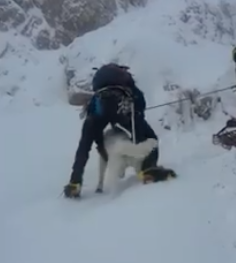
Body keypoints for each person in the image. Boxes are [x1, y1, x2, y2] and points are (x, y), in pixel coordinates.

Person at [64, 63, 176, 198]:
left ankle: (75, 183)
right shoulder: (128, 83)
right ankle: (148, 168)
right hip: (123, 111)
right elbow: (139, 104)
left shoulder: (99, 91)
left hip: (98, 112)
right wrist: (138, 133)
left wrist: (101, 147)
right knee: (152, 139)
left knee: (84, 145)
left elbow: (89, 135)